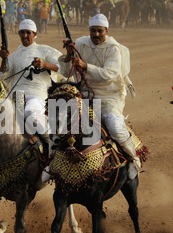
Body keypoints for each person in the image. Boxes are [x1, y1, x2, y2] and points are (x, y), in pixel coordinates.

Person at [59, 14, 141, 179]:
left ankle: (133, 159)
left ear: (106, 31)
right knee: (60, 122)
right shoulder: (81, 44)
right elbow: (66, 71)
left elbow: (109, 74)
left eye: (99, 31)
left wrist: (85, 66)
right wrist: (68, 55)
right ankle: (53, 163)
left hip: (109, 95)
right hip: (83, 95)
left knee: (114, 124)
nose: (96, 34)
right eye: (93, 31)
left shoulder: (113, 48)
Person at [0, 19, 62, 139]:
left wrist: (44, 65)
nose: (25, 36)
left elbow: (63, 67)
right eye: (22, 32)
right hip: (16, 96)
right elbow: (1, 77)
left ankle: (51, 141)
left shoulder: (45, 50)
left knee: (30, 112)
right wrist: (3, 60)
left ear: (35, 34)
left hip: (37, 96)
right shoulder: (15, 55)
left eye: (28, 32)